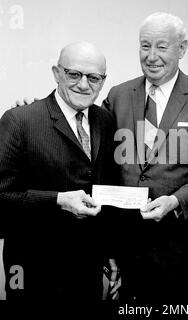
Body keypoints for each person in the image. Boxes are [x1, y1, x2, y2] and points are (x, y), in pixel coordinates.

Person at [102, 12, 188, 301]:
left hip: (183, 248)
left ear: (182, 49)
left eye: (162, 46)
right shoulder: (117, 95)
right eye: (145, 46)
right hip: (128, 246)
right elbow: (103, 163)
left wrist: (176, 201)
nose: (152, 56)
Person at [0, 42, 115, 299]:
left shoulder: (105, 121)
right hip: (34, 273)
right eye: (74, 74)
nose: (84, 85)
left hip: (89, 272)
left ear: (103, 81)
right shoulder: (19, 120)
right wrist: (58, 200)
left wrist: (111, 254)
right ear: (56, 73)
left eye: (94, 78)